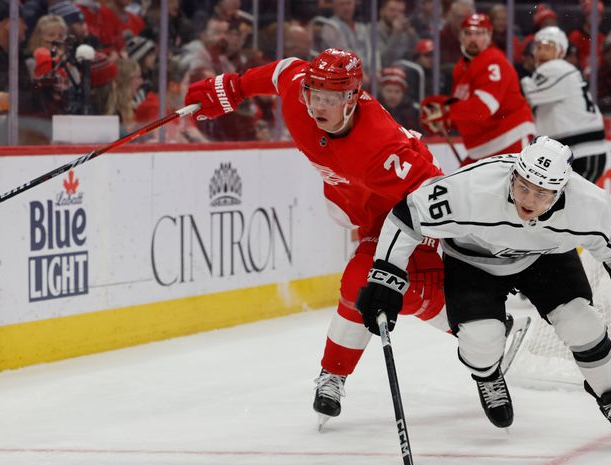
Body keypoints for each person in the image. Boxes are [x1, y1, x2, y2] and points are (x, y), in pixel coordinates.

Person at [183, 48, 447, 427]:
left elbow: (434, 192)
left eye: (329, 99)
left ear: (353, 98)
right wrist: (234, 88)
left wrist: (461, 240)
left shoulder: (383, 144)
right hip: (358, 203)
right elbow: (284, 70)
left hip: (402, 213)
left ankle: (338, 374)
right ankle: (481, 331)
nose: (316, 106)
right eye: (314, 95)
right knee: (377, 288)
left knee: (389, 284)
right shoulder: (298, 95)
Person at [355, 136, 611, 445]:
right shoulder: (473, 187)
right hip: (473, 260)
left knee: (582, 322)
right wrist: (385, 278)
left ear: (561, 191)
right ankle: (488, 374)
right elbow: (406, 216)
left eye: (542, 194)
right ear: (513, 174)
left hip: (546, 257)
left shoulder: (588, 203)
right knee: (481, 341)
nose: (528, 201)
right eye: (523, 187)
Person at [420, 13, 535, 164]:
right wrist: (443, 116)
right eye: (468, 33)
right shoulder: (461, 67)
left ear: (489, 36)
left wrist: (446, 111)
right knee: (459, 186)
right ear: (460, 36)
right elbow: (465, 109)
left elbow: (482, 109)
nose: (473, 39)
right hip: (482, 147)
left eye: (479, 33)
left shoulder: (494, 61)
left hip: (510, 139)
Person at [521, 27, 607, 183]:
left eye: (548, 48)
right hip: (583, 151)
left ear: (560, 51)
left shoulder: (555, 68)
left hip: (581, 152)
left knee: (567, 203)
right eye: (538, 48)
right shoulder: (563, 70)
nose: (541, 53)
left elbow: (524, 93)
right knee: (565, 204)